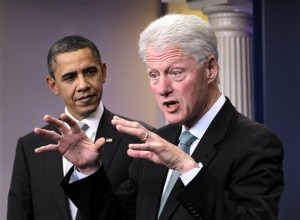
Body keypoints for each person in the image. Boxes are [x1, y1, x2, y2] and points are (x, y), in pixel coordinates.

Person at [33, 14, 284, 220]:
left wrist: (187, 168)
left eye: (175, 72)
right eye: (154, 75)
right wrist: (88, 171)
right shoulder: (156, 141)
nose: (162, 88)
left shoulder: (255, 142)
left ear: (210, 69)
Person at [7, 35, 154, 220]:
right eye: (70, 77)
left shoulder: (140, 139)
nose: (83, 85)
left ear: (104, 72)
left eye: (90, 72)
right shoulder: (30, 147)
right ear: (53, 85)